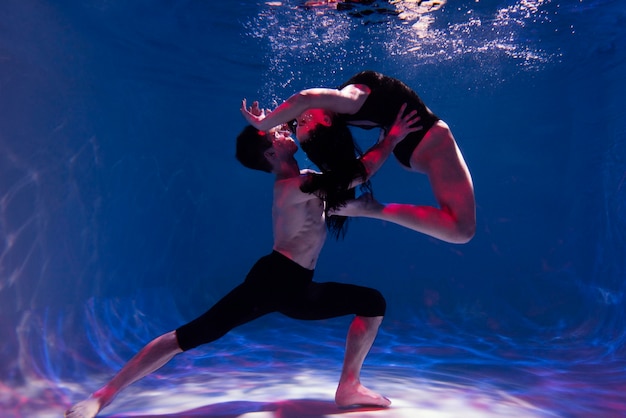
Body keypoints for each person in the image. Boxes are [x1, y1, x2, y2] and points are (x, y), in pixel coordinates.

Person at [65, 105, 420, 418]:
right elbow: (357, 175)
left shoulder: (307, 180)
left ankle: (348, 388)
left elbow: (342, 197)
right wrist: (389, 139)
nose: (285, 130)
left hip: (299, 288)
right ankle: (101, 397)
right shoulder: (289, 188)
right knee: (189, 336)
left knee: (372, 303)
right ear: (269, 156)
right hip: (270, 283)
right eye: (278, 133)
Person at [241, 70, 476, 244]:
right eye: (302, 121)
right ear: (325, 121)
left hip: (406, 143)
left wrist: (272, 125)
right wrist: (264, 122)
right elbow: (304, 98)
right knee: (462, 230)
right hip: (432, 143)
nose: (295, 118)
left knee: (461, 230)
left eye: (296, 123)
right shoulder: (349, 101)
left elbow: (303, 121)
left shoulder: (335, 115)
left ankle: (370, 208)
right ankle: (373, 209)